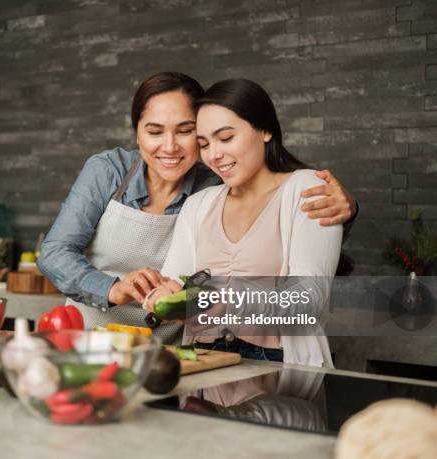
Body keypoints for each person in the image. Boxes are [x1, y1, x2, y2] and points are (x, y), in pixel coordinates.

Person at [37, 72, 357, 343]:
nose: (170, 146)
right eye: (154, 131)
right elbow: (55, 252)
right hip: (88, 334)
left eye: (187, 132)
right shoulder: (109, 170)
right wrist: (113, 288)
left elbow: (282, 219)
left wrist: (347, 210)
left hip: (169, 349)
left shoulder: (216, 183)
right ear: (137, 133)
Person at [145, 78, 344, 364]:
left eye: (226, 138)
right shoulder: (198, 205)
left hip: (275, 363)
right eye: (204, 143)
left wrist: (227, 301)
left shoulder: (306, 189)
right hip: (204, 361)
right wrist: (161, 295)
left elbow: (309, 300)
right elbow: (175, 281)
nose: (214, 154)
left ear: (264, 130)